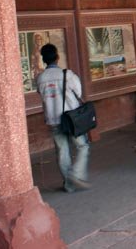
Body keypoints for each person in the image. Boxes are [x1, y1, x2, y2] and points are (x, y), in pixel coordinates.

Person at [37, 43, 91, 193]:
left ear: (43, 59)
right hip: (72, 119)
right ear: (57, 57)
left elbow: (41, 95)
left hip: (53, 119)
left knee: (62, 151)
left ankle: (69, 184)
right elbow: (79, 93)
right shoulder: (68, 75)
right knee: (83, 146)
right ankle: (76, 174)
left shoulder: (40, 78)